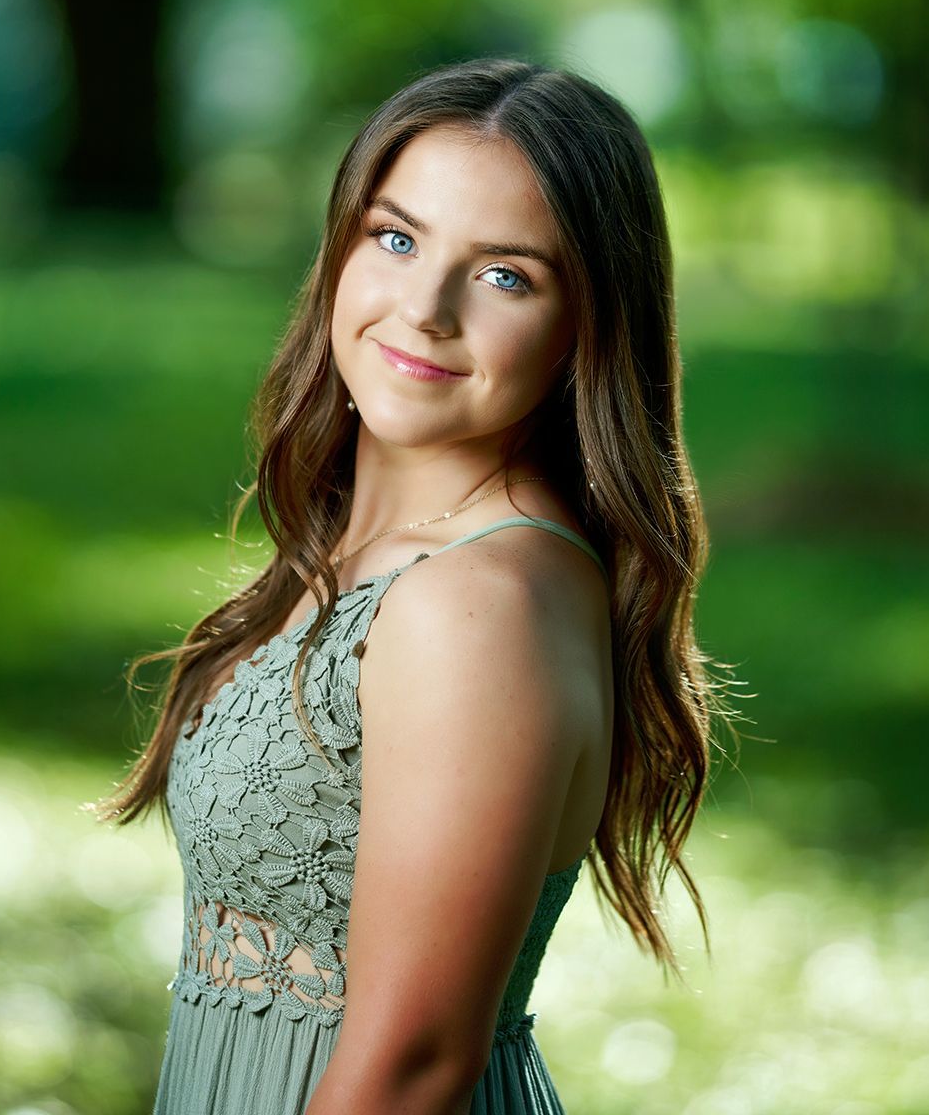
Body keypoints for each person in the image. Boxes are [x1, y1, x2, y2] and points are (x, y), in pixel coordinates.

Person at [85, 57, 738, 1114]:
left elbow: (412, 1066)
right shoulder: (372, 547)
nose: (425, 307)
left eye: (505, 274)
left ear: (588, 325)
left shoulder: (476, 604)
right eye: (396, 238)